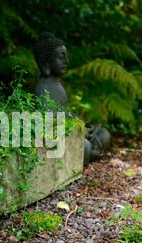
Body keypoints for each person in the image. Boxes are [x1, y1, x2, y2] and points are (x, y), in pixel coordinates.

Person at [33, 32, 111, 165]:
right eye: (61, 57)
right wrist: (77, 130)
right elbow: (51, 123)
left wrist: (83, 127)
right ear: (45, 62)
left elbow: (64, 112)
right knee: (85, 146)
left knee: (103, 134)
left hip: (70, 131)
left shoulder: (57, 84)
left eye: (66, 57)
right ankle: (87, 155)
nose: (66, 61)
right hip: (57, 138)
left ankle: (89, 152)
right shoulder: (43, 89)